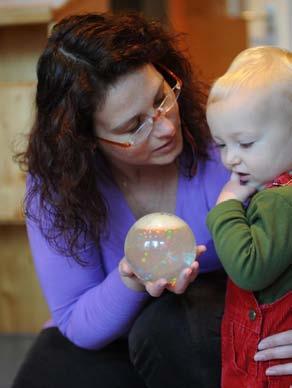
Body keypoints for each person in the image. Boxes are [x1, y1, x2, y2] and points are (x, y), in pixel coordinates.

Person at [12, 13, 292, 388]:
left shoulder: (227, 139)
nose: (165, 126)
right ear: (87, 140)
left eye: (162, 97)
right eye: (133, 127)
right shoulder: (58, 185)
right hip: (113, 330)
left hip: (211, 322)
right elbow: (77, 322)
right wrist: (131, 279)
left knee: (170, 329)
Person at [206, 46, 292, 387]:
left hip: (269, 367)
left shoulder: (280, 200)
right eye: (222, 145)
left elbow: (249, 268)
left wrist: (226, 207)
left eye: (245, 143)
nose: (230, 160)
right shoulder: (270, 185)